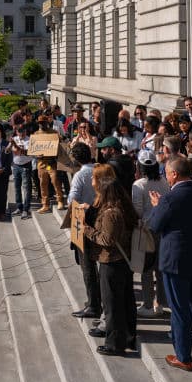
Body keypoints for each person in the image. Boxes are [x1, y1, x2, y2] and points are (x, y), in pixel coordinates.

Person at [145, 154, 192, 371]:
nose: (165, 177)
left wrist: (157, 205)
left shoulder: (169, 198)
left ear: (174, 174)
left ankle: (184, 356)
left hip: (176, 260)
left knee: (180, 310)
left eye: (166, 173)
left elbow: (154, 225)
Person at [82, 165, 138, 356]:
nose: (93, 185)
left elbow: (107, 240)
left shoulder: (111, 213)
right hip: (121, 261)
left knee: (112, 305)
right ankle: (128, 337)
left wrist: (86, 230)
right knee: (125, 302)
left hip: (112, 261)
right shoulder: (117, 207)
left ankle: (115, 344)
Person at [67, 142, 101, 320]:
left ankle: (94, 304)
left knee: (87, 265)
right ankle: (97, 299)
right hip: (100, 220)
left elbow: (71, 201)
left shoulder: (80, 175)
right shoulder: (100, 169)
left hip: (82, 221)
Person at [132, 151, 168, 318]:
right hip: (163, 229)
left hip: (146, 230)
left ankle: (148, 304)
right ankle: (159, 303)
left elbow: (137, 210)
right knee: (160, 269)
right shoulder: (164, 182)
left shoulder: (138, 185)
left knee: (146, 269)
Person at [10, 124, 35, 219]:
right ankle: (19, 207)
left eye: (23, 131)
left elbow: (28, 152)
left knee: (26, 188)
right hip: (16, 166)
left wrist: (16, 146)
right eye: (19, 131)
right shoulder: (14, 138)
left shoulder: (30, 140)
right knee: (16, 187)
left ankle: (26, 209)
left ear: (26, 131)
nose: (21, 133)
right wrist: (10, 147)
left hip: (26, 166)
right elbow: (8, 151)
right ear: (16, 132)